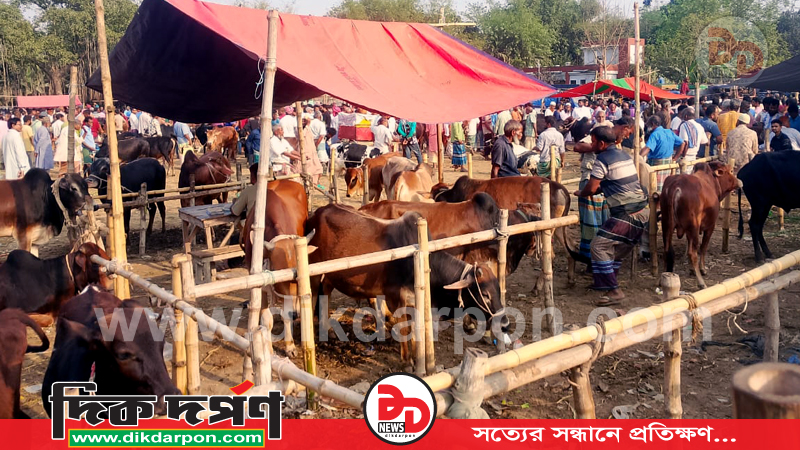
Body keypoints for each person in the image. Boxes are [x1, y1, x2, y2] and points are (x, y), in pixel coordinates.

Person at [574, 126, 649, 304]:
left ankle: (614, 290)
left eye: (592, 141)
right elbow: (614, 183)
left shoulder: (602, 159)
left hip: (627, 213)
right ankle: (606, 284)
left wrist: (582, 193)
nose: (591, 145)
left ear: (600, 143)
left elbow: (592, 188)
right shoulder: (624, 155)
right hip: (642, 211)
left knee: (598, 247)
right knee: (615, 250)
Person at [641, 115, 684, 192]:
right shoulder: (669, 132)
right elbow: (682, 143)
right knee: (665, 186)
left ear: (653, 124)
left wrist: (639, 157)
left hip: (656, 164)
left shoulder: (655, 134)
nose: (648, 128)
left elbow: (648, 148)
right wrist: (676, 157)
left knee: (655, 189)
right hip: (668, 163)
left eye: (649, 125)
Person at [676, 107, 707, 174]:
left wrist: (679, 157)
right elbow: (704, 141)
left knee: (681, 178)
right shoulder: (699, 126)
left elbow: (685, 143)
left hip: (685, 156)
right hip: (694, 156)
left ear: (686, 116)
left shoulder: (684, 125)